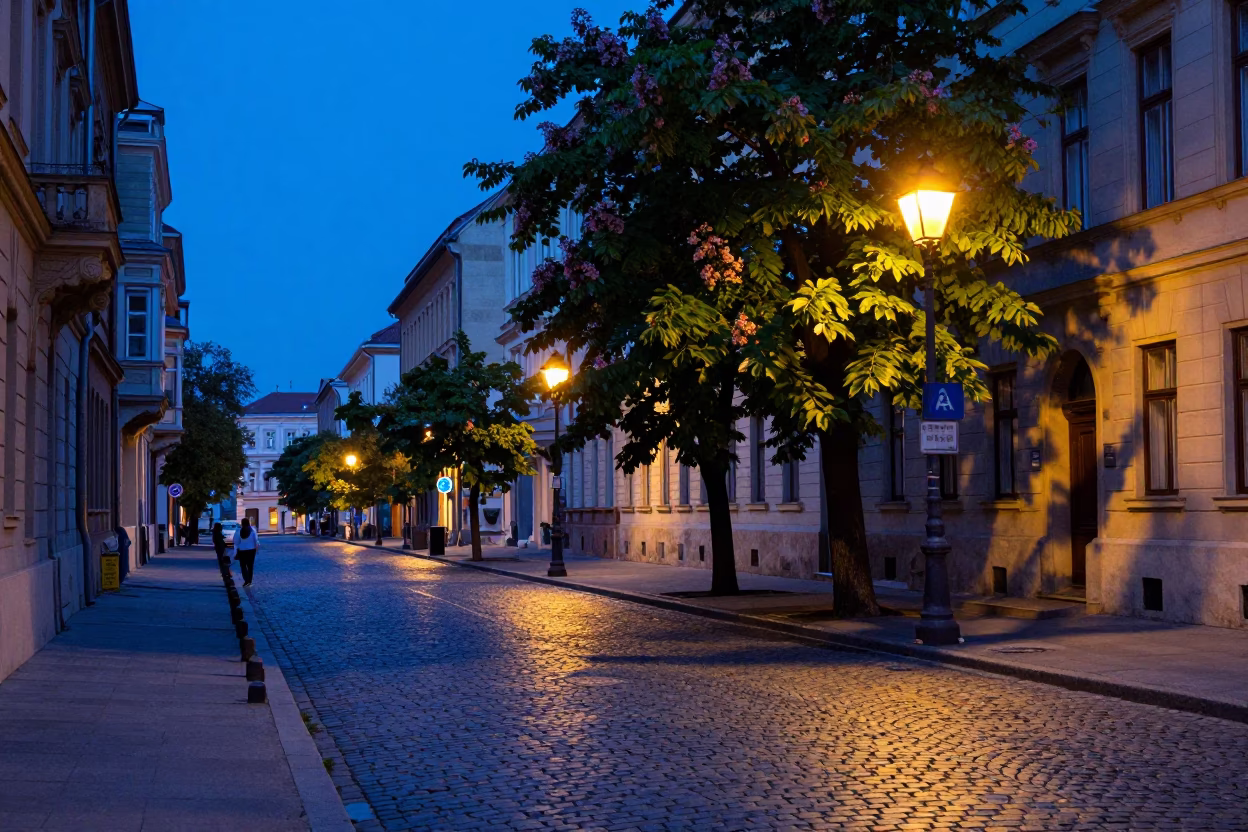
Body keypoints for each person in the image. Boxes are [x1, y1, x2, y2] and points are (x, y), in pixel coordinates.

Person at [235, 518, 259, 587]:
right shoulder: (253, 530)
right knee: (250, 566)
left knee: (243, 566)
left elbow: (236, 542)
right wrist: (256, 548)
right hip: (251, 550)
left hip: (242, 551)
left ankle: (246, 580)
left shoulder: (238, 530)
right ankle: (250, 581)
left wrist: (239, 547)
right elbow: (256, 540)